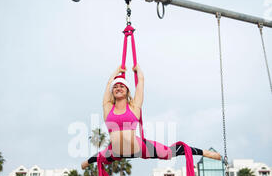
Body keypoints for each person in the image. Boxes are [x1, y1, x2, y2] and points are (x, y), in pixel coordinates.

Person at [81, 65, 221, 170]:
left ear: (127, 90)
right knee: (92, 160)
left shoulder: (134, 107)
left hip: (138, 148)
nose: (118, 88)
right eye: (116, 86)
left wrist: (138, 72)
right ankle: (85, 163)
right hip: (115, 151)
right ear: (113, 90)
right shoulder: (107, 107)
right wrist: (116, 72)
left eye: (122, 86)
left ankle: (205, 152)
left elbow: (140, 83)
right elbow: (107, 85)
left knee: (168, 153)